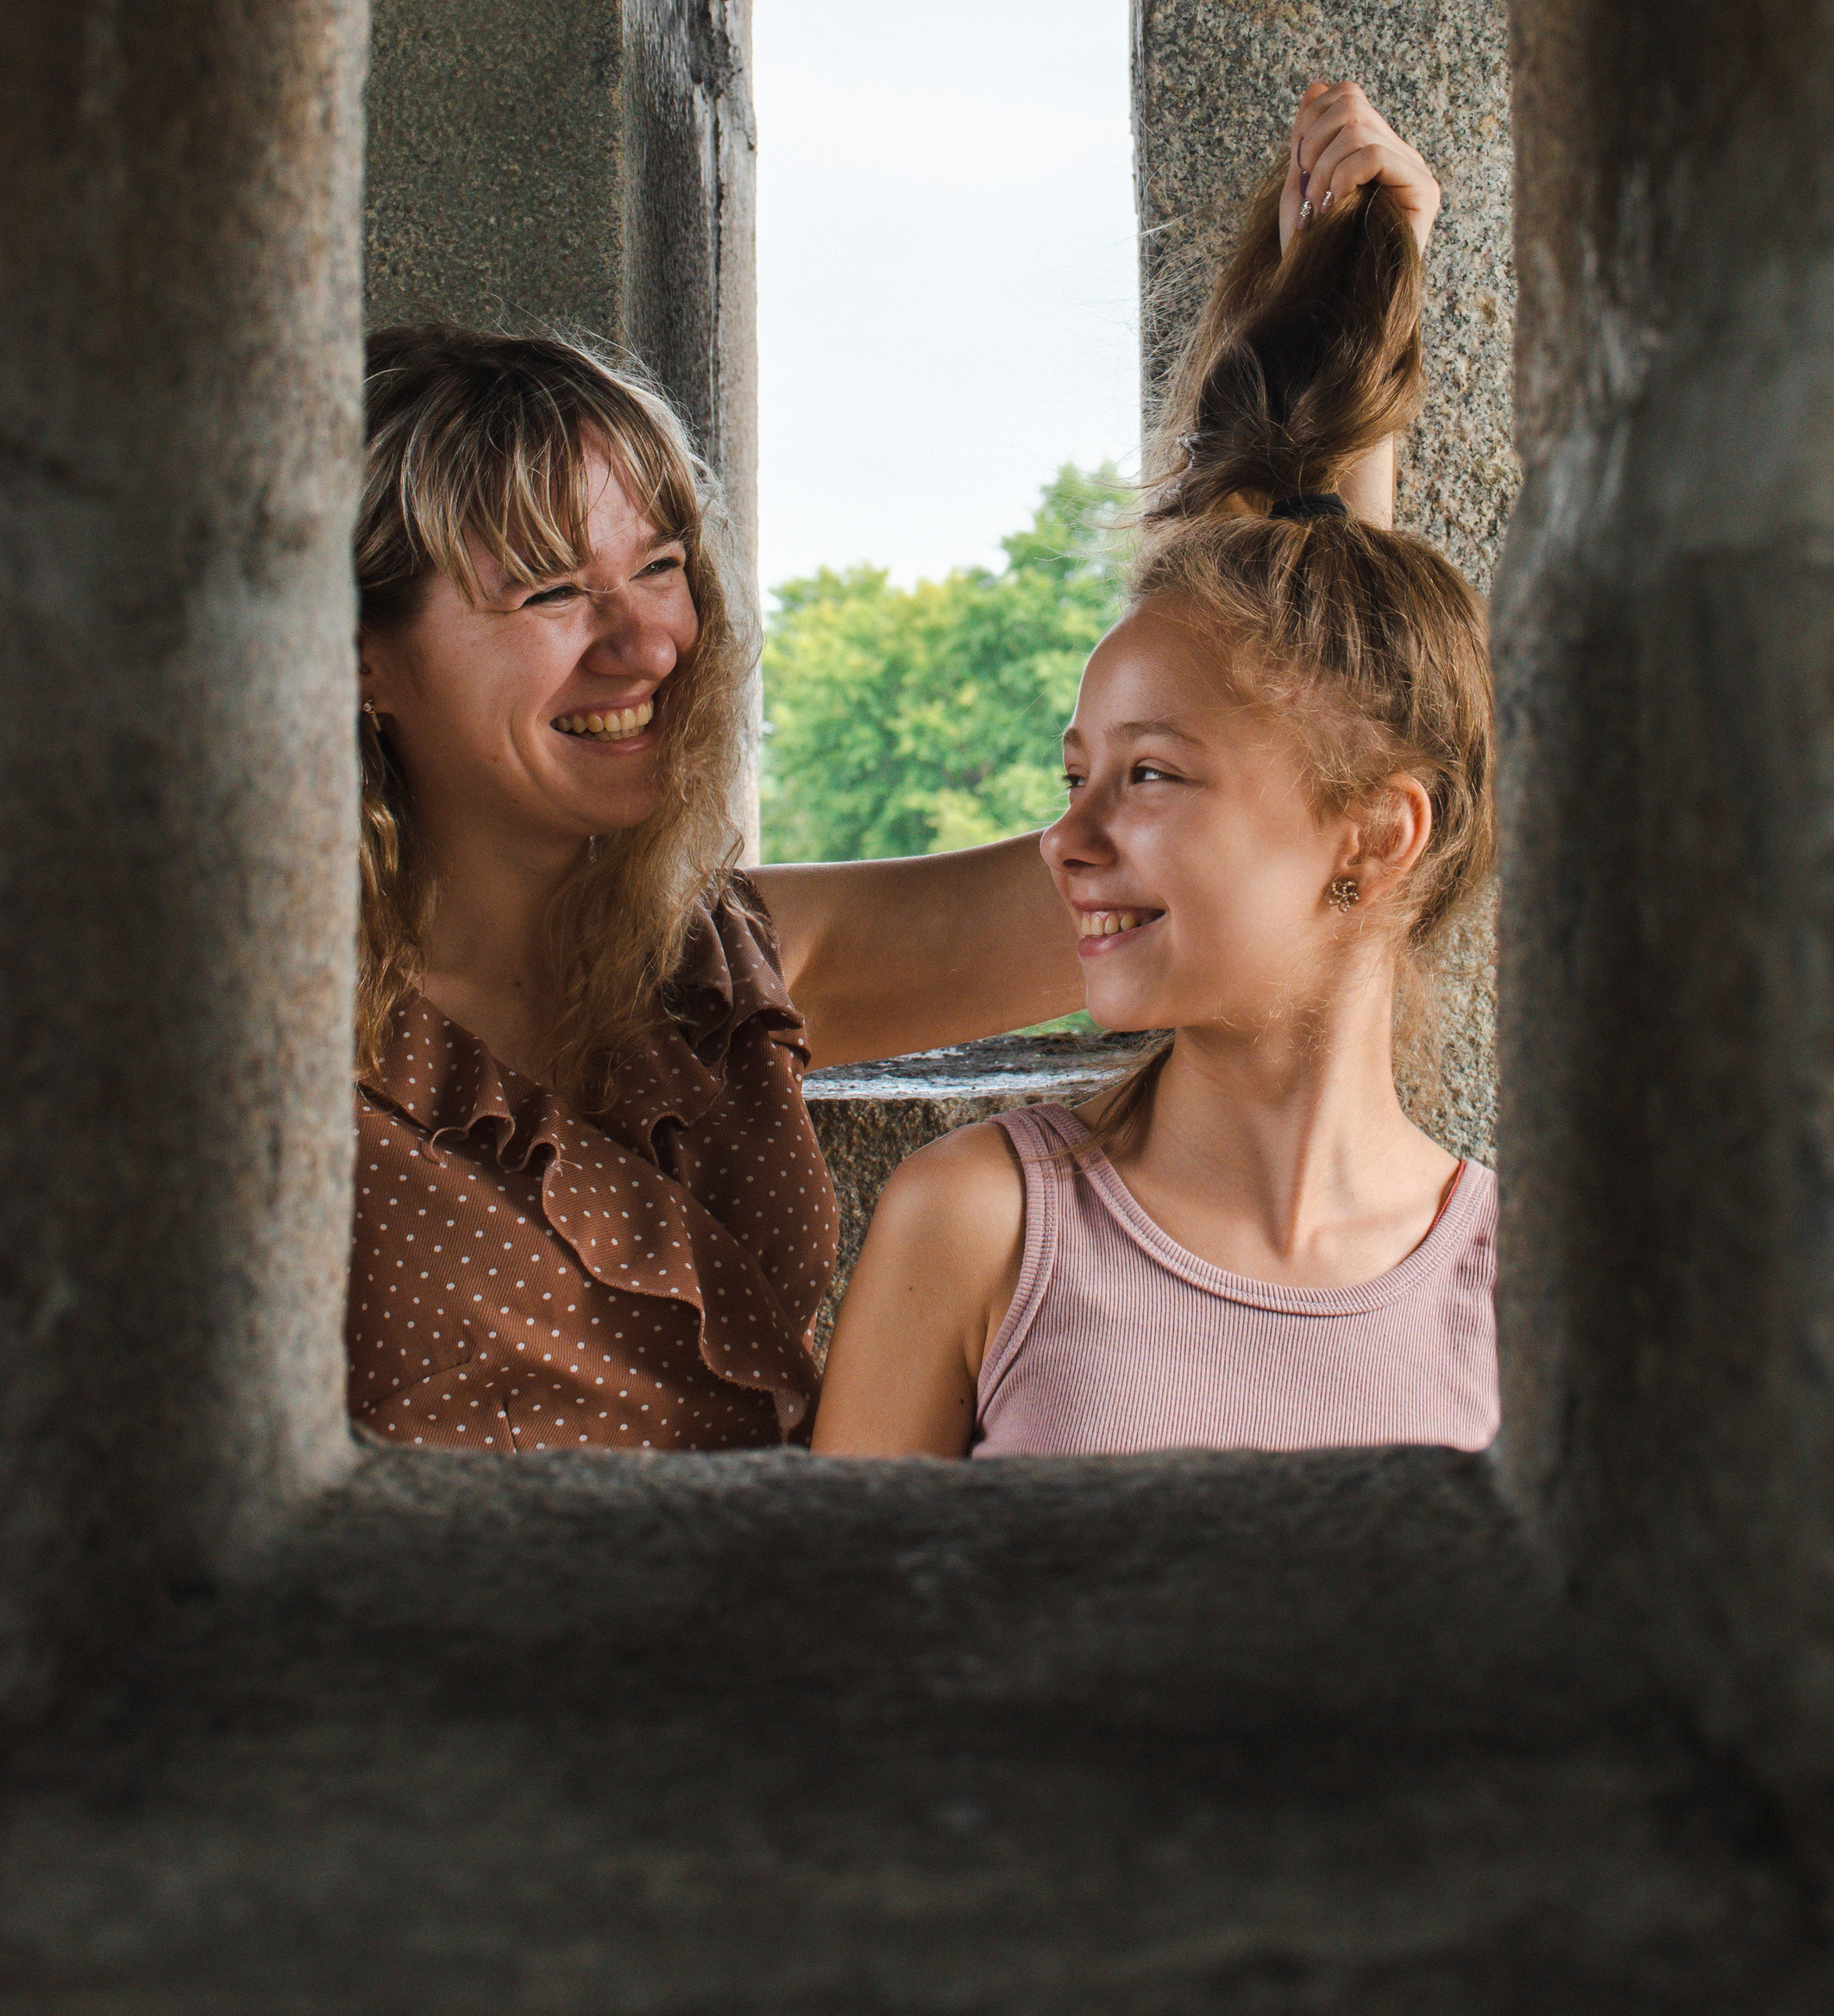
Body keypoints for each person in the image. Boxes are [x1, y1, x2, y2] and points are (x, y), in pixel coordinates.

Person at [349, 82, 1425, 1456]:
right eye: (551, 592)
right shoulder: (245, 1041)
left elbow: (1241, 857)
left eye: (664, 567)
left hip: (811, 1643)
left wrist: (1348, 329)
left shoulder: (724, 969)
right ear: (364, 660)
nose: (646, 641)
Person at [810, 106, 1497, 1458]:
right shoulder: (984, 1231)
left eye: (1149, 776)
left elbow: (1330, 710)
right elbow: (840, 1662)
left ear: (1380, 835)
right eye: (1076, 775)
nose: (1064, 843)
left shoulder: (1526, 1295)